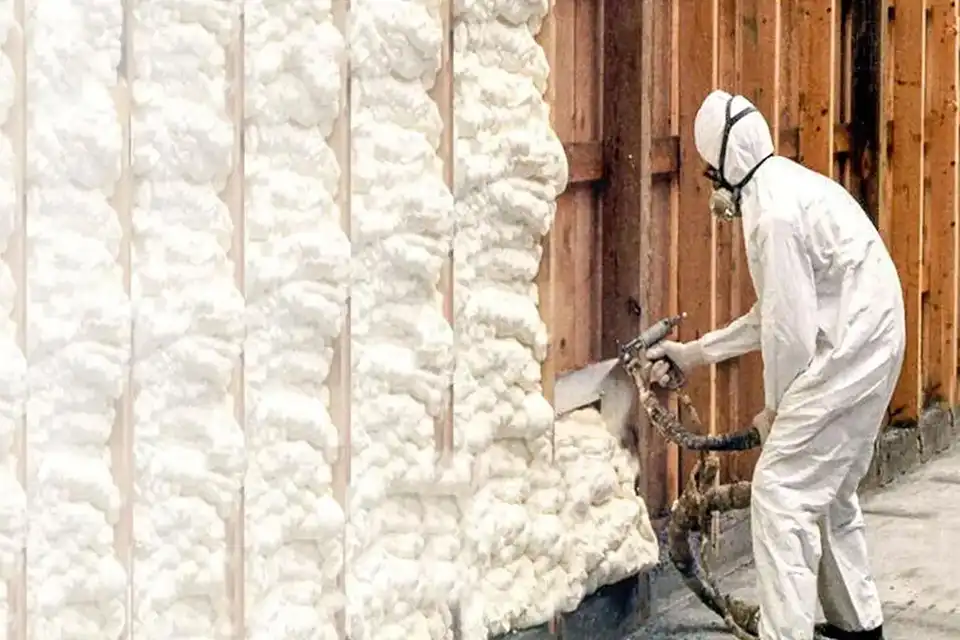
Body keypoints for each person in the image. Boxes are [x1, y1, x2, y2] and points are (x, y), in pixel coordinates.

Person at [645, 89, 904, 640]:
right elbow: (774, 313)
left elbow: (789, 332)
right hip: (870, 336)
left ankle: (784, 633)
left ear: (727, 163)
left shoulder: (772, 216)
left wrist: (776, 411)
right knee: (825, 488)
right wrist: (695, 354)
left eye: (712, 173)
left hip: (850, 346)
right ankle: (859, 627)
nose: (713, 187)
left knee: (780, 492)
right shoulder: (781, 185)